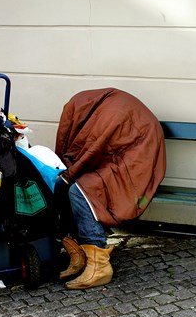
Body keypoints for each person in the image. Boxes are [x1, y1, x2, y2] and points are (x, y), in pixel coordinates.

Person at [52, 88, 166, 289]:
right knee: (63, 187)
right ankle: (79, 255)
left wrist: (68, 174)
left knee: (81, 191)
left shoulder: (108, 114)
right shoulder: (101, 108)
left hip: (138, 163)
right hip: (122, 158)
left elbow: (91, 151)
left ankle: (99, 265)